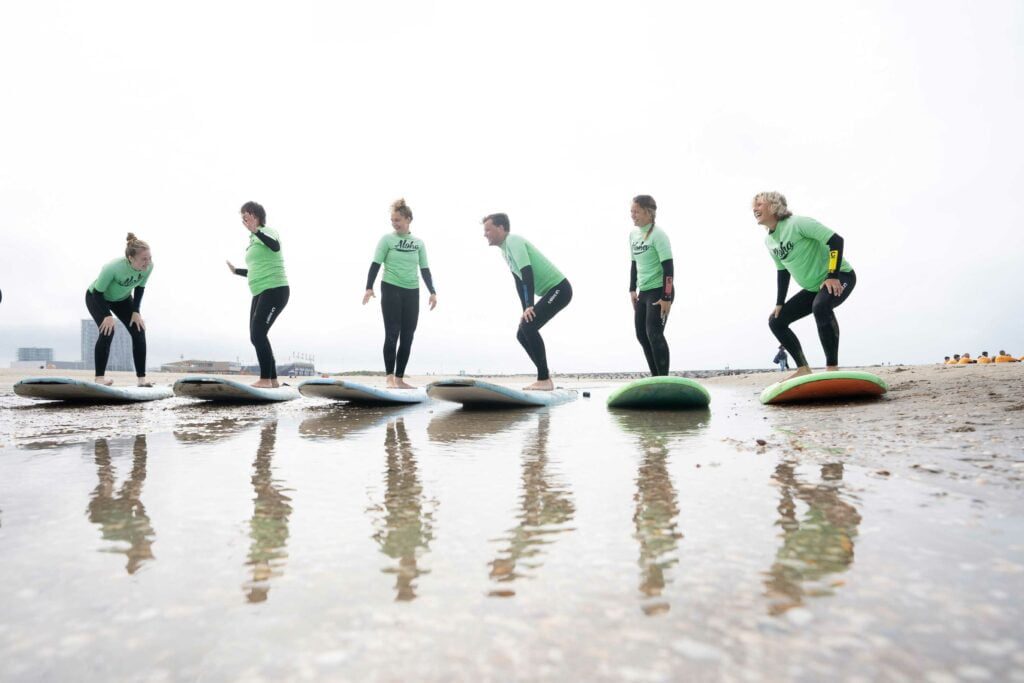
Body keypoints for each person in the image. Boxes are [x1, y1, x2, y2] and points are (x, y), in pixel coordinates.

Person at [753, 192, 856, 380]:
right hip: (813, 288)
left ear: (774, 206)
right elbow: (782, 271)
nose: (755, 208)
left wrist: (832, 276)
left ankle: (832, 369)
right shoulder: (769, 241)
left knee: (821, 306)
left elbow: (836, 240)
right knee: (776, 321)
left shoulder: (797, 223)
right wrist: (779, 303)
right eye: (754, 205)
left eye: (759, 204)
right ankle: (803, 368)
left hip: (841, 275)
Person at [483, 213, 572, 390]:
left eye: (488, 229)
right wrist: (525, 310)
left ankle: (544, 379)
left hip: (560, 289)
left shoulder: (513, 240)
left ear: (501, 228)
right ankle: (545, 377)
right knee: (522, 332)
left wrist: (530, 305)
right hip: (552, 291)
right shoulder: (504, 251)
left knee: (528, 327)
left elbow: (527, 272)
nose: (485, 234)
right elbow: (519, 282)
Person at [363, 198, 437, 388]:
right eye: (392, 220)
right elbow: (375, 264)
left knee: (408, 335)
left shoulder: (419, 243)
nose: (394, 223)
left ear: (408, 219)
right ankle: (389, 378)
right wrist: (369, 287)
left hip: (412, 291)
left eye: (397, 220)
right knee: (392, 332)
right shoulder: (387, 240)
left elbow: (425, 269)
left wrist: (433, 292)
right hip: (391, 287)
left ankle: (399, 379)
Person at [226, 201, 289, 388]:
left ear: (256, 216)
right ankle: (273, 380)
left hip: (275, 289)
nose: (243, 219)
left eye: (246, 215)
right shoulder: (253, 240)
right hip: (260, 292)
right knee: (256, 336)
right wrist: (237, 271)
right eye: (242, 216)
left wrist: (256, 231)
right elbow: (256, 270)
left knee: (258, 333)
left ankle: (265, 380)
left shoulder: (267, 231)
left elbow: (275, 246)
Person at [85, 233, 153, 386]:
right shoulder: (113, 267)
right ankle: (100, 379)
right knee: (108, 330)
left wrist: (136, 311)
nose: (147, 262)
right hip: (97, 297)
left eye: (149, 258)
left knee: (139, 330)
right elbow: (97, 292)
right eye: (143, 259)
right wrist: (106, 315)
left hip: (122, 299)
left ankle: (142, 380)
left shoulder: (149, 267)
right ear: (130, 258)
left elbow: (140, 288)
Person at [628, 195, 674, 376]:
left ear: (648, 212)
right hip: (643, 292)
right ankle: (656, 378)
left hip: (659, 291)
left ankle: (663, 378)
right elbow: (633, 263)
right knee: (641, 334)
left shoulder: (659, 235)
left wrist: (666, 297)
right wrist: (632, 289)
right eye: (631, 211)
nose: (632, 215)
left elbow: (668, 268)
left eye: (636, 211)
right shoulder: (633, 235)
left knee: (654, 333)